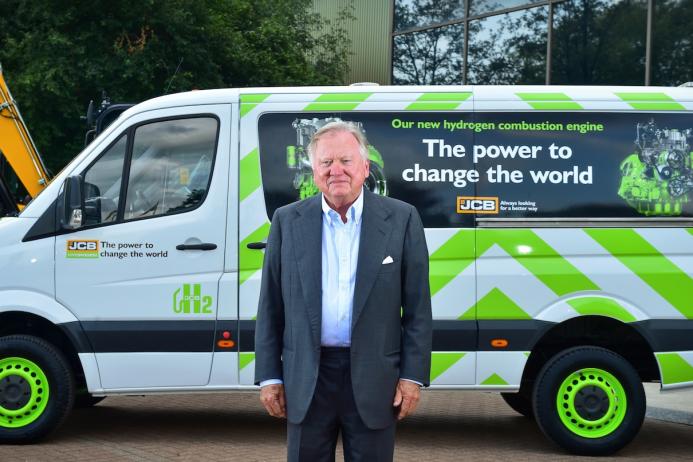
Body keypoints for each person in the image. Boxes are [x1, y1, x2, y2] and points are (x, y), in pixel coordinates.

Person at [255, 121, 432, 462]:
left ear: (365, 167)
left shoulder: (402, 219)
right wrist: (269, 377)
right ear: (315, 170)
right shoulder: (287, 221)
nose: (336, 170)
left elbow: (417, 310)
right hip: (306, 380)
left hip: (374, 381)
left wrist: (411, 377)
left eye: (346, 161)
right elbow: (271, 307)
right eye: (326, 162)